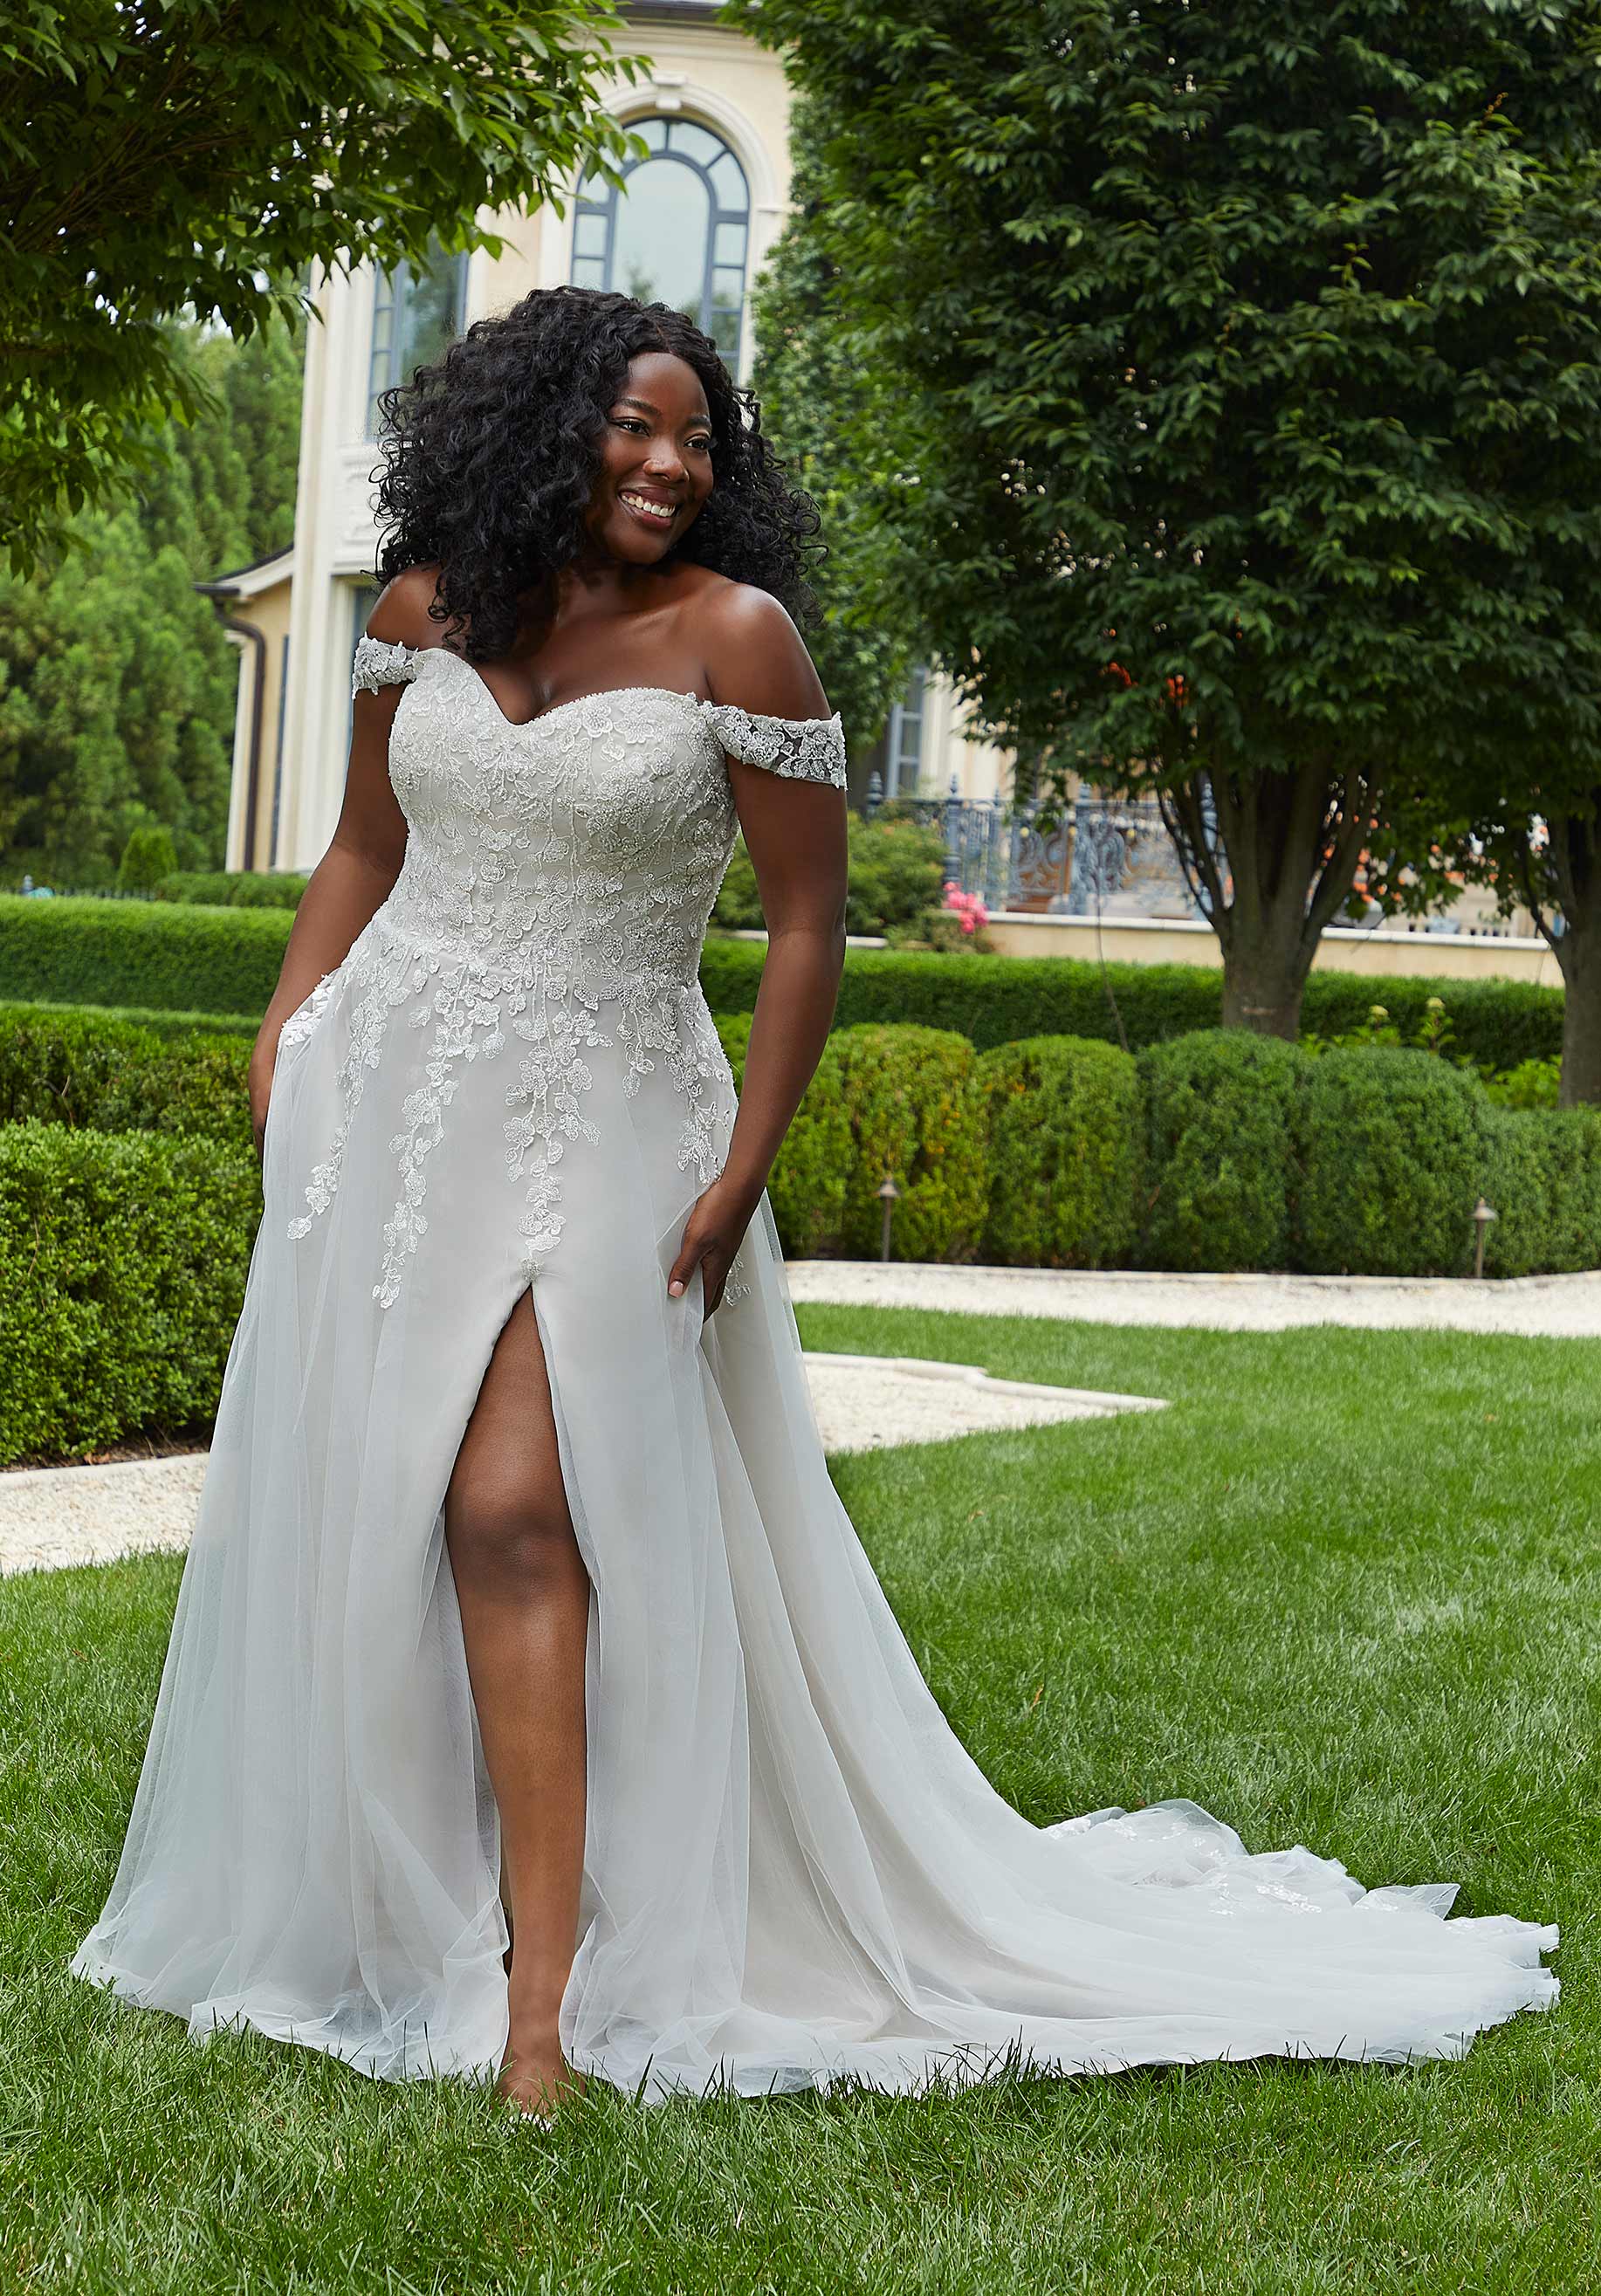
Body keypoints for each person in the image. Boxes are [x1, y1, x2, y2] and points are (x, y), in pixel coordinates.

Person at [70, 287, 1557, 2120]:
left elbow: (794, 931)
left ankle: (542, 2012)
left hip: (614, 1119)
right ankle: (399, 1898)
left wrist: (741, 1165)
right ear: (542, 424)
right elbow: (369, 845)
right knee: (374, 1507)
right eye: (634, 425)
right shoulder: (419, 610)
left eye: (699, 439)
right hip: (386, 1110)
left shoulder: (740, 640)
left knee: (516, 1507)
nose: (672, 464)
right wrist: (285, 1027)